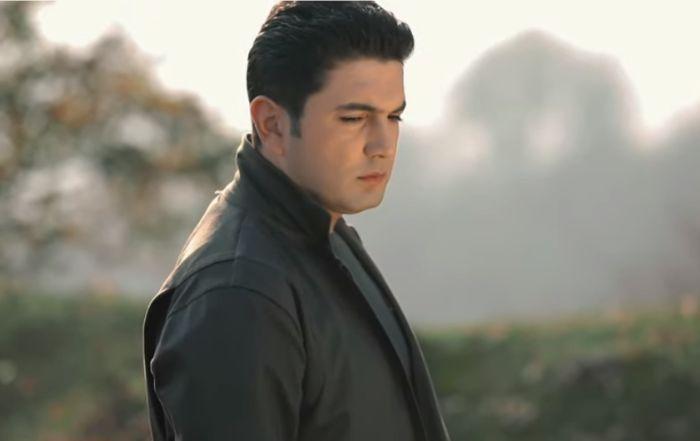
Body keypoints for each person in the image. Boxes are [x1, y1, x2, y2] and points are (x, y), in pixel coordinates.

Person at [142, 2, 451, 440]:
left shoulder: (323, 237)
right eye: (354, 118)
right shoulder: (238, 291)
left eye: (393, 116)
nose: (382, 144)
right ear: (272, 124)